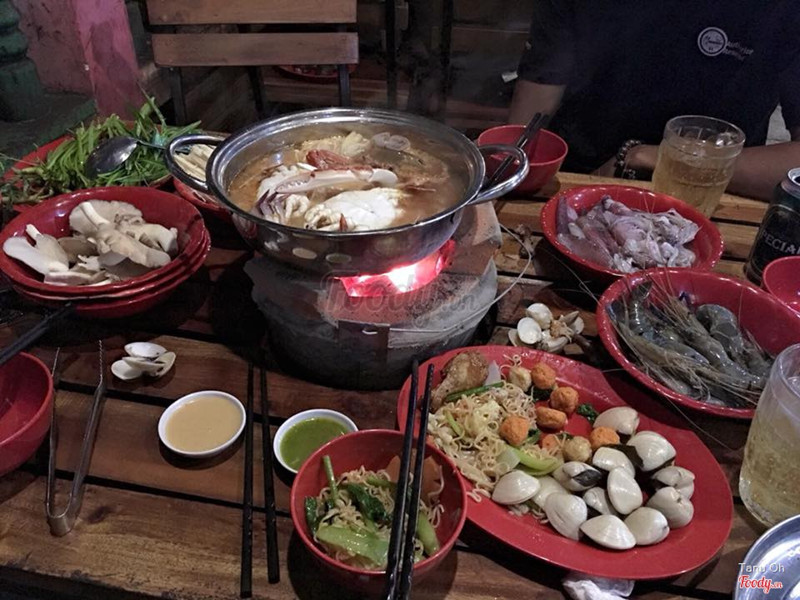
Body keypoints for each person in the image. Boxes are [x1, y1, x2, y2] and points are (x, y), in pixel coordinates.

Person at [508, 1, 800, 200]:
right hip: (580, 179)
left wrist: (659, 158)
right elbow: (536, 100)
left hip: (714, 193)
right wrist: (511, 170)